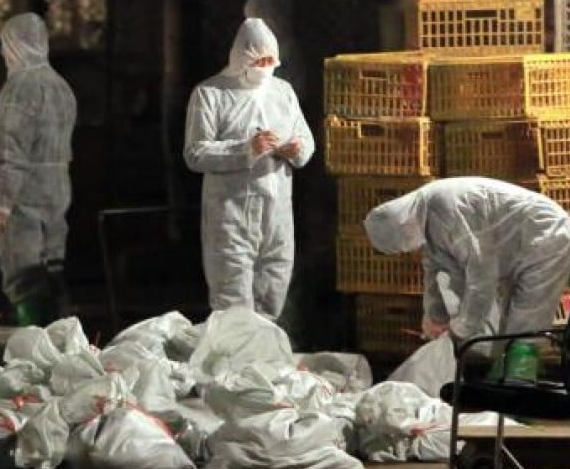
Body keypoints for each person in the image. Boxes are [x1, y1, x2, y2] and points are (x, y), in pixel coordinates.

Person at [183, 17, 315, 319]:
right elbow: (195, 153)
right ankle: (234, 363)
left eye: (271, 59)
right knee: (232, 303)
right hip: (232, 215)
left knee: (274, 286)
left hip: (277, 213)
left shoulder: (282, 92)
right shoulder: (211, 94)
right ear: (243, 56)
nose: (266, 65)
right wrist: (246, 149)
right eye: (260, 59)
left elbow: (306, 139)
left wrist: (297, 149)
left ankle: (263, 362)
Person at [364, 177, 570, 346]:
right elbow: (432, 270)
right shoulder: (424, 218)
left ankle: (520, 386)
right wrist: (434, 316)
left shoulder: (446, 210)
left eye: (403, 244)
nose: (408, 249)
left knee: (524, 330)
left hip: (545, 238)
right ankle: (506, 384)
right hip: (518, 249)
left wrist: (462, 328)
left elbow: (482, 277)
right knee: (507, 331)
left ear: (403, 224)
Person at [0, 13, 77, 326]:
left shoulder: (20, 88)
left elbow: (11, 149)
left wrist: (0, 203)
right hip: (56, 191)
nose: (1, 53)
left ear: (17, 46)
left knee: (23, 274)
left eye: (4, 45)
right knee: (52, 266)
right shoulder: (60, 85)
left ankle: (35, 341)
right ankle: (61, 337)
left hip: (24, 197)